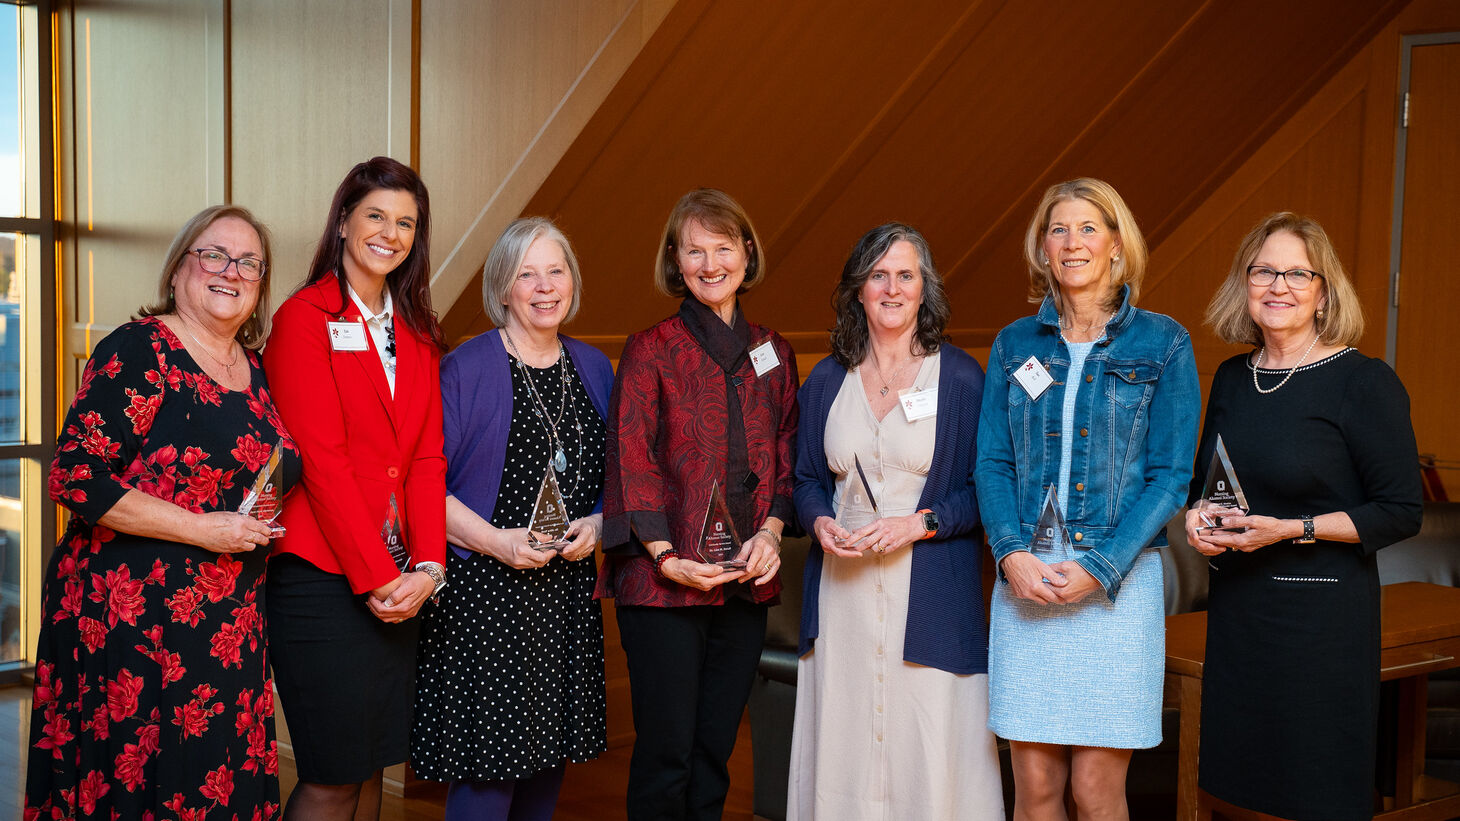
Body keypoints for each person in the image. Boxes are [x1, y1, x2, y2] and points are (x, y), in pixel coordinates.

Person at [26, 205, 298, 818]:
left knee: (211, 788)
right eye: (215, 255)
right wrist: (206, 530)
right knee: (138, 787)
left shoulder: (254, 372)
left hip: (227, 626)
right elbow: (77, 476)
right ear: (178, 270)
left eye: (249, 262)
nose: (232, 271)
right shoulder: (141, 350)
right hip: (132, 623)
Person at [1184, 212, 1421, 820]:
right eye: (1263, 271)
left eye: (1296, 272)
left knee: (1314, 793)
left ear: (1323, 290)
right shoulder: (1235, 378)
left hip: (1321, 626)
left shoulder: (1364, 383)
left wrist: (1292, 529)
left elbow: (1400, 511)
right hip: (1241, 615)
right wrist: (1197, 521)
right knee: (1241, 791)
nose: (1277, 285)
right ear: (1245, 283)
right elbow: (1209, 484)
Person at [975, 177, 1199, 819]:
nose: (1072, 242)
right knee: (1037, 790)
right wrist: (1011, 555)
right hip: (1026, 582)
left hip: (1116, 590)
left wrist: (1099, 570)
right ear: (1042, 249)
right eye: (1058, 229)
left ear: (1117, 246)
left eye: (1088, 228)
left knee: (1096, 793)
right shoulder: (1016, 343)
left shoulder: (1164, 343)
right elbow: (991, 461)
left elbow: (1170, 479)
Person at [787, 223, 1003, 819]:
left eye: (905, 275)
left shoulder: (958, 377)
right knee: (847, 737)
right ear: (858, 289)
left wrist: (920, 523)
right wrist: (820, 522)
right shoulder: (828, 378)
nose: (891, 288)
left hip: (929, 591)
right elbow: (806, 479)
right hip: (843, 593)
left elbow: (987, 490)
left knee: (925, 740)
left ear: (923, 288)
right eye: (877, 275)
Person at [597, 188, 798, 820]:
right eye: (694, 250)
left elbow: (788, 450)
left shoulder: (775, 351)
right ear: (674, 261)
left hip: (743, 584)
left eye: (723, 247)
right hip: (664, 587)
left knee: (715, 750)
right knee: (667, 755)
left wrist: (769, 533)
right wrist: (663, 554)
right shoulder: (650, 348)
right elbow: (631, 456)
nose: (711, 264)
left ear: (746, 253)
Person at [263, 156, 448, 821]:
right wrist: (378, 579)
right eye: (375, 215)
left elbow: (427, 457)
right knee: (333, 775)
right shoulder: (303, 318)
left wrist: (428, 567)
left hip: (400, 577)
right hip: (321, 578)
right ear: (343, 222)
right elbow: (322, 463)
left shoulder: (419, 331)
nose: (389, 233)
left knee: (373, 768)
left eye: (405, 222)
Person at [411, 217, 612, 819]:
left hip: (565, 596)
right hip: (485, 595)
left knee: (548, 764)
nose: (544, 286)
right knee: (489, 773)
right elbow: (423, 488)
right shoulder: (465, 369)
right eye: (527, 273)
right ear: (503, 287)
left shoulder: (595, 367)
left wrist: (598, 525)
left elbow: (615, 479)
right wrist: (497, 542)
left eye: (556, 271)